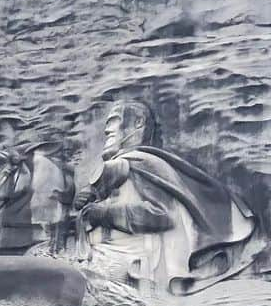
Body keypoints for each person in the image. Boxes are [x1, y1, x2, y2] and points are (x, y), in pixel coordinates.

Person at [77, 100, 258, 295]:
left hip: (132, 264)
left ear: (138, 122)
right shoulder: (122, 167)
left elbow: (162, 215)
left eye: (114, 120)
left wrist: (105, 213)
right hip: (102, 255)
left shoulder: (142, 163)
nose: (107, 129)